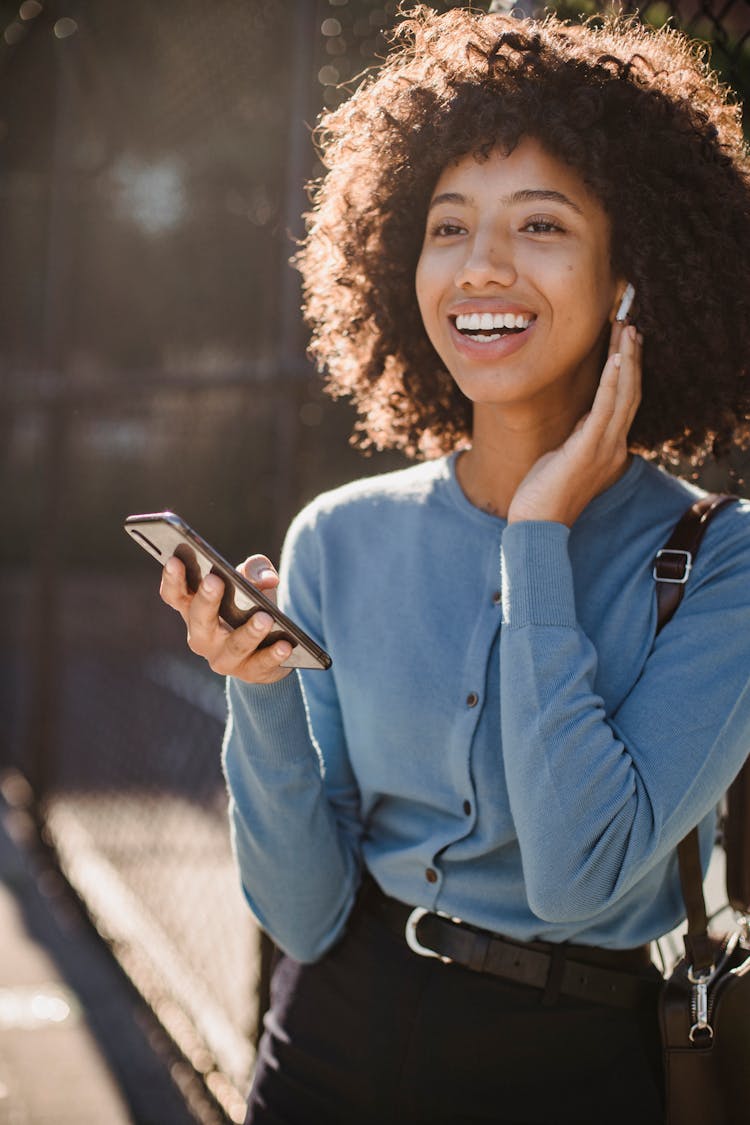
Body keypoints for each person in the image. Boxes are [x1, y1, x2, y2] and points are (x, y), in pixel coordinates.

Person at [160, 7, 750, 1123]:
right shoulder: (338, 534)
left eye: (540, 224)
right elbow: (300, 917)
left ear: (635, 279)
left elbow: (579, 878)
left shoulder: (726, 563)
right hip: (330, 1039)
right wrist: (262, 699)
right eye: (446, 226)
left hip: (573, 1066)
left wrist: (538, 536)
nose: (480, 267)